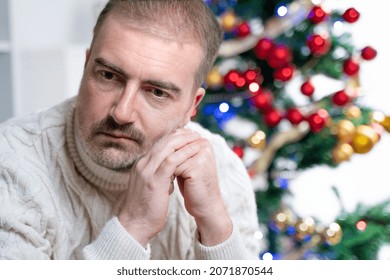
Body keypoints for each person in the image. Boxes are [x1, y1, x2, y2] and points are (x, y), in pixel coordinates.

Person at [0, 0, 260, 260]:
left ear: (191, 106)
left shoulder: (222, 170)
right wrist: (134, 226)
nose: (121, 113)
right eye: (109, 76)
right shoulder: (11, 166)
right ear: (87, 64)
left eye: (157, 92)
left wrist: (215, 228)